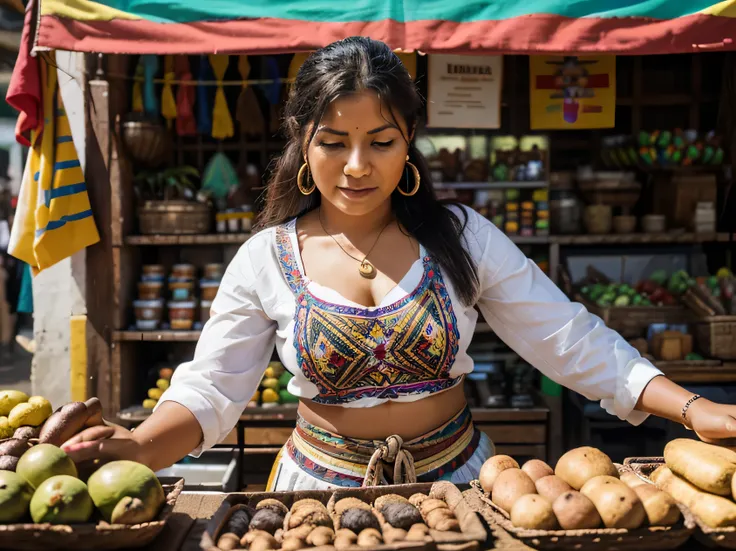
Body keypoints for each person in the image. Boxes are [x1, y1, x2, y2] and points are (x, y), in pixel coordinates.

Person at [63, 37, 736, 489]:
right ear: (303, 140)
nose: (358, 166)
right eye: (333, 142)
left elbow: (567, 337)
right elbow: (212, 390)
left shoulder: (463, 238)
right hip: (314, 496)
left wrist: (693, 407)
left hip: (464, 486)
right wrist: (137, 448)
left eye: (380, 141)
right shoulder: (265, 257)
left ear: (408, 138)